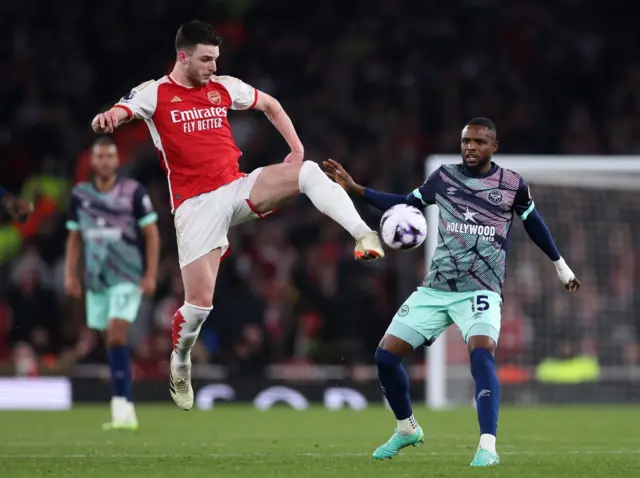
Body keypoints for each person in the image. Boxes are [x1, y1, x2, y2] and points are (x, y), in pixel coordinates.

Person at [90, 20, 384, 411]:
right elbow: (123, 110)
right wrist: (109, 118)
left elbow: (271, 106)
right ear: (183, 57)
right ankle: (180, 361)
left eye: (216, 58)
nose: (213, 66)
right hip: (195, 207)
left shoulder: (224, 86)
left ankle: (364, 234)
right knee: (198, 306)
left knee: (309, 171)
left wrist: (295, 149)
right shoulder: (155, 93)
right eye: (206, 59)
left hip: (237, 186)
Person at [323, 117, 581, 467]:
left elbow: (534, 224)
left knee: (481, 356)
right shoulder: (443, 177)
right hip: (437, 287)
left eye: (478, 141)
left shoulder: (512, 185)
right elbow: (403, 203)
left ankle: (487, 446)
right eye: (465, 141)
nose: (470, 147)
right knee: (385, 358)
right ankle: (406, 429)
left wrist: (560, 266)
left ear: (494, 146)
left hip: (482, 288)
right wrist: (356, 188)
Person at [65, 137, 160, 430]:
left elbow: (152, 233)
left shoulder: (133, 191)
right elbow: (74, 236)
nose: (105, 162)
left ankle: (124, 406)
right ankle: (120, 403)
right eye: (100, 157)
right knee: (108, 337)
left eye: (110, 157)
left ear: (117, 161)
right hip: (97, 279)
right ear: (93, 162)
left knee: (117, 333)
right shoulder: (80, 195)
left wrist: (150, 274)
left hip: (127, 275)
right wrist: (71, 274)